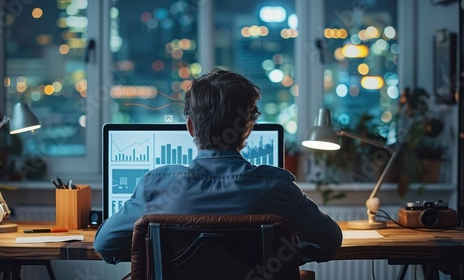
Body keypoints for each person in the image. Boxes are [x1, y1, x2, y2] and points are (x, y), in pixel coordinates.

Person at [94, 67, 342, 265]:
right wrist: (286, 256)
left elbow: (105, 245)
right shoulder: (279, 188)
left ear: (190, 126)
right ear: (249, 128)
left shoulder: (155, 186)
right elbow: (329, 240)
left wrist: (153, 254)